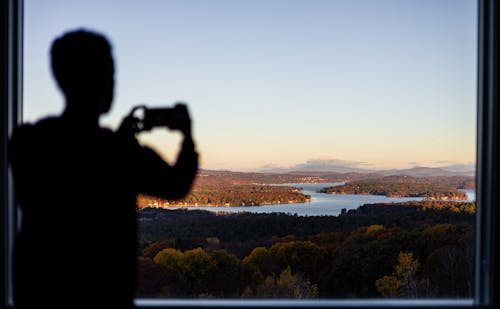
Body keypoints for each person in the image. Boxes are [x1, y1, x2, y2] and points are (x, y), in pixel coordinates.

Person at [9, 29, 198, 308]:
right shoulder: (118, 152)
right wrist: (187, 137)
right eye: (109, 72)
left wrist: (118, 143)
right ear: (96, 79)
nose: (113, 82)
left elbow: (75, 171)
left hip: (39, 296)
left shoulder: (28, 142)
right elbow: (176, 185)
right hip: (106, 298)